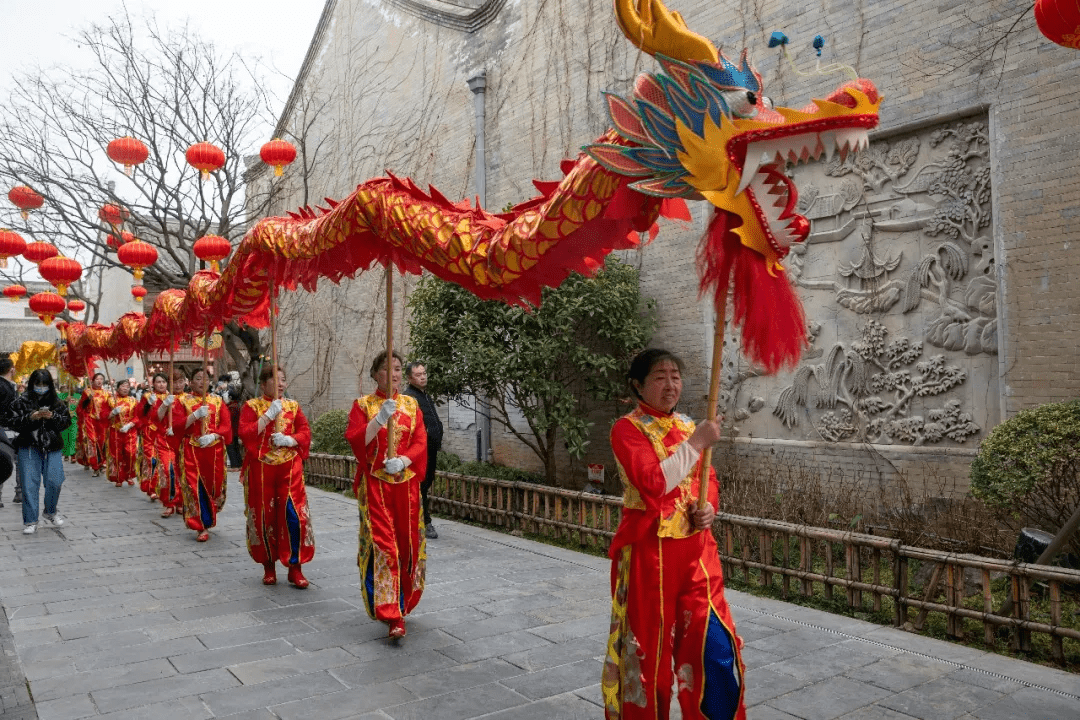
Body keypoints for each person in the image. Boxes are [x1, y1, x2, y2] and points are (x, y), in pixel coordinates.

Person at [601, 349, 745, 720]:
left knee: (714, 646)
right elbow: (652, 483)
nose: (670, 384)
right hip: (651, 556)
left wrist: (708, 508)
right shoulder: (627, 429)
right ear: (638, 385)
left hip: (698, 555)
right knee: (650, 657)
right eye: (660, 376)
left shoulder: (685, 424)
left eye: (676, 375)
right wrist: (697, 443)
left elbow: (706, 479)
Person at [345, 350, 428, 639]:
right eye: (386, 369)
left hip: (406, 488)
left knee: (406, 546)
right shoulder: (363, 405)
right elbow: (356, 442)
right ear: (375, 373)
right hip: (376, 486)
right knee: (385, 547)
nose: (392, 374)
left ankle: (403, 600)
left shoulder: (412, 404)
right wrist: (379, 418)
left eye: (397, 368)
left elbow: (421, 441)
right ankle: (392, 613)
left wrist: (405, 460)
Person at [238, 366, 315, 588]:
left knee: (294, 515)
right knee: (265, 516)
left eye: (283, 380)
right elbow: (245, 433)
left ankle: (295, 567)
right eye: (275, 380)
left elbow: (305, 431)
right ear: (263, 384)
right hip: (262, 469)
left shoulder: (293, 406)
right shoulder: (251, 407)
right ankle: (268, 565)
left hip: (290, 468)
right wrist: (267, 416)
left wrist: (291, 440)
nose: (281, 384)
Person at [172, 367, 232, 541]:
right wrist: (194, 416)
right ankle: (201, 526)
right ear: (190, 382)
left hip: (215, 450)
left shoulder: (218, 401)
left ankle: (210, 512)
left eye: (205, 378)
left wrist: (215, 434)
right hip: (191, 449)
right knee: (194, 486)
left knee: (215, 485)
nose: (202, 381)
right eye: (198, 378)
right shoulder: (183, 401)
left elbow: (226, 426)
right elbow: (176, 426)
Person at [10, 369, 72, 534]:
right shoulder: (21, 402)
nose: (41, 388)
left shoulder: (57, 402)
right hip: (28, 446)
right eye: (38, 384)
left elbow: (66, 422)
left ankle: (50, 511)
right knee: (29, 484)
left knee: (55, 481)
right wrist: (31, 417)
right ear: (32, 384)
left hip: (52, 446)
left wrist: (53, 417)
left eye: (45, 384)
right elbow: (12, 422)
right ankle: (31, 520)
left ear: (50, 385)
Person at [403, 361, 443, 539]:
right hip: (419, 453)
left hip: (431, 450)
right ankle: (425, 522)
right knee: (420, 487)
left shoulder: (424, 395)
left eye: (424, 373)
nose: (423, 377)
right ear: (410, 378)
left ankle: (419, 520)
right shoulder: (409, 398)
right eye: (418, 375)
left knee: (425, 485)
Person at [153, 369, 186, 518]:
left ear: (186, 382)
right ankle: (169, 502)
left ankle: (181, 502)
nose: (178, 385)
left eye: (180, 381)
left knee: (182, 472)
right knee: (168, 471)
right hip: (165, 440)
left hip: (184, 441)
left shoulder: (191, 398)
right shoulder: (164, 398)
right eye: (174, 382)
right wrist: (165, 404)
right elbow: (158, 417)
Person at [135, 373, 170, 501]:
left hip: (166, 434)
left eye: (163, 382)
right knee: (151, 460)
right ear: (153, 384)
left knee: (165, 463)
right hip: (150, 434)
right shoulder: (148, 396)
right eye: (158, 382)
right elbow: (139, 413)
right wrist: (147, 404)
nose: (161, 384)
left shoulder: (171, 397)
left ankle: (164, 488)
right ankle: (152, 488)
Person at [105, 379, 139, 487]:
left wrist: (129, 425)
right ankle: (118, 477)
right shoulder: (111, 400)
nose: (125, 388)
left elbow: (138, 417)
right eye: (123, 386)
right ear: (118, 387)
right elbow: (103, 416)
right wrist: (112, 413)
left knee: (130, 454)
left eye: (127, 386)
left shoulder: (133, 401)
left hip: (130, 432)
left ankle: (129, 475)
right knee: (116, 454)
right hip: (115, 431)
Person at [78, 373, 109, 477]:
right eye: (97, 379)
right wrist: (88, 399)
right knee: (92, 441)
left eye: (101, 379)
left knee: (102, 442)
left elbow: (109, 407)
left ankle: (102, 462)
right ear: (92, 380)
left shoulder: (106, 393)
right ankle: (95, 465)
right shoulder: (87, 391)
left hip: (102, 421)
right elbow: (81, 407)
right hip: (90, 420)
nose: (99, 381)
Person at [0, 357, 17, 506]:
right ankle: (20, 492)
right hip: (6, 429)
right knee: (15, 460)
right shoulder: (4, 386)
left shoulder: (8, 385)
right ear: (11, 369)